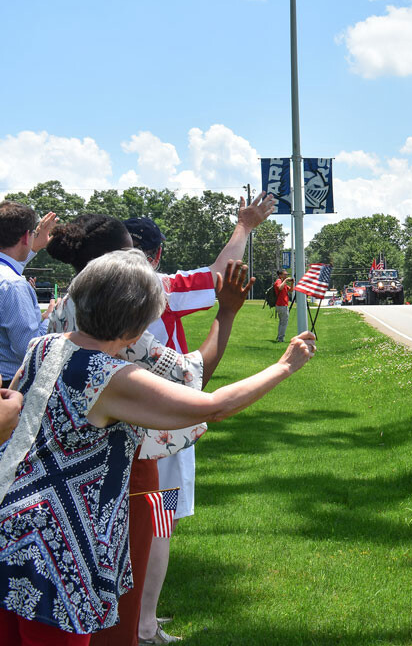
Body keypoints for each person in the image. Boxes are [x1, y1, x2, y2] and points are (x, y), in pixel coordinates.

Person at [0, 249, 314, 645]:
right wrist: (284, 365)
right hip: (62, 548)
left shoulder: (43, 346)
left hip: (12, 528)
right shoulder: (109, 375)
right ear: (136, 326)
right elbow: (214, 406)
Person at [43, 213, 254, 646]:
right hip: (139, 455)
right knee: (154, 527)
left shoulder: (60, 309)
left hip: (67, 466)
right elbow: (196, 381)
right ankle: (143, 624)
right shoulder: (135, 311)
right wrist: (229, 312)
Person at [126, 192, 274, 645]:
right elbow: (218, 278)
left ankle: (126, 615)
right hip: (159, 419)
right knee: (158, 518)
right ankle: (145, 624)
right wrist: (244, 227)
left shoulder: (80, 292)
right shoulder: (157, 288)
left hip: (101, 416)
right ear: (157, 255)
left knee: (120, 517)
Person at [0, 202, 58, 388]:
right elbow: (29, 348)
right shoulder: (14, 286)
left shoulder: (8, 280)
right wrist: (51, 317)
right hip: (9, 386)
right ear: (26, 236)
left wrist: (34, 247)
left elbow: (10, 266)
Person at [273, 269, 294, 343]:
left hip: (283, 305)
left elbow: (291, 290)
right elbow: (279, 288)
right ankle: (280, 338)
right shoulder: (278, 281)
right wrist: (285, 281)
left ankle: (279, 337)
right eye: (285, 274)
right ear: (280, 275)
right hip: (281, 304)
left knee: (282, 322)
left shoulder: (283, 282)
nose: (286, 276)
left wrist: (292, 283)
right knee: (284, 322)